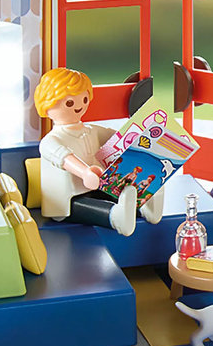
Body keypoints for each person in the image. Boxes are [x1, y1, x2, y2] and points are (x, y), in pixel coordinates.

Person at [33, 67, 164, 236]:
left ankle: (146, 208)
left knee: (118, 193)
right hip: (66, 200)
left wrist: (144, 139)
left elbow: (117, 138)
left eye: (84, 99)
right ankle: (116, 217)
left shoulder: (91, 130)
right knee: (88, 206)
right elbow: (65, 158)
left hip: (98, 185)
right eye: (70, 103)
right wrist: (85, 172)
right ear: (47, 105)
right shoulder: (50, 141)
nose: (79, 106)